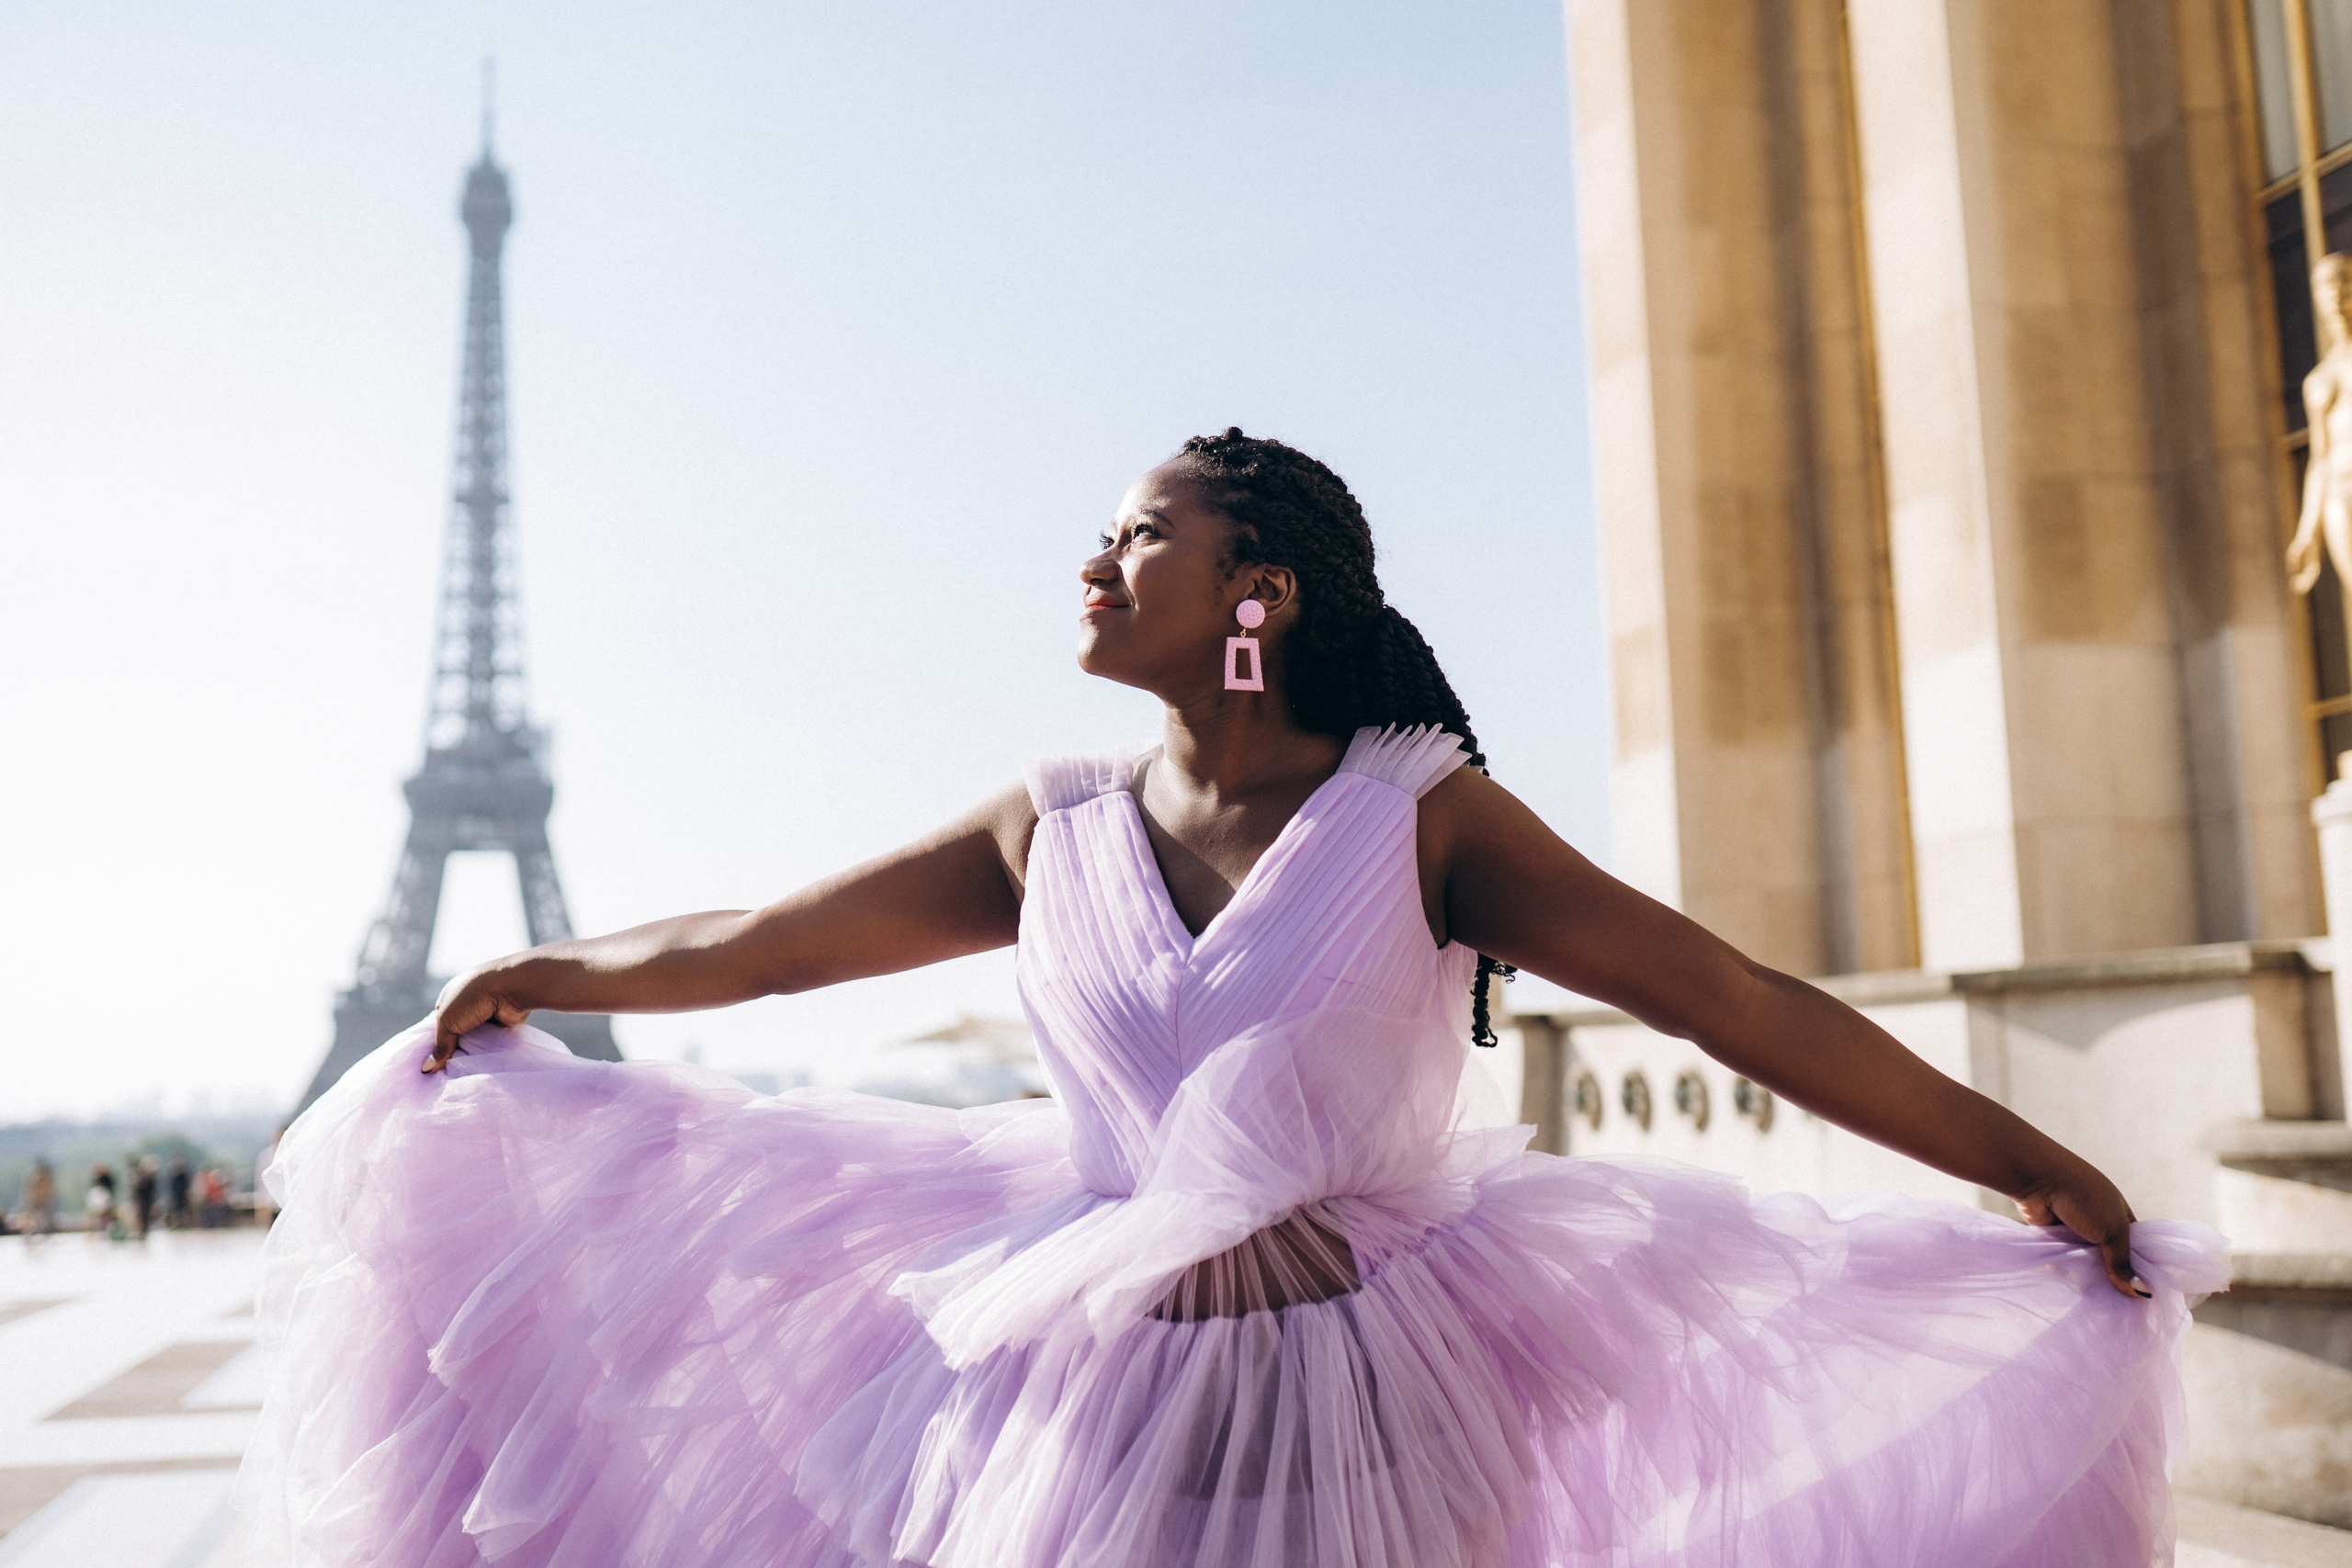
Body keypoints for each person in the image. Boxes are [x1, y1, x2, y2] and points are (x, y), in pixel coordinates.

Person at [246, 431, 2226, 1568]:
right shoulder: (1048, 823)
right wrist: (547, 970)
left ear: (1255, 593)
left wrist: (2019, 1156)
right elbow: (765, 942)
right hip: (1089, 1405)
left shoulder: (1420, 815)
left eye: (1139, 534)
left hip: (1376, 1399)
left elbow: (1723, 995)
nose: (1093, 560)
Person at [18, 1160, 56, 1236]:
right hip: (36, 1202)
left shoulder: (46, 1179)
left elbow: (50, 1192)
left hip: (44, 1202)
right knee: (33, 1218)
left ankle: (45, 1230)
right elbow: (31, 1191)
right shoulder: (36, 1179)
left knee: (45, 1218)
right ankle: (33, 1230)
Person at [84, 1160, 115, 1239]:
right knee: (94, 1217)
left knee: (105, 1217)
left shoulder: (107, 1179)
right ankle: (92, 1233)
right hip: (97, 1202)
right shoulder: (96, 1180)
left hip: (104, 1202)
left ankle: (104, 1232)